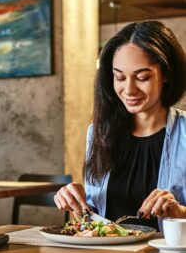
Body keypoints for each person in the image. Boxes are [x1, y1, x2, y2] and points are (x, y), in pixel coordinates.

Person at [54, 20, 186, 231]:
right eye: (120, 77)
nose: (129, 89)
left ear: (167, 74)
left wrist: (178, 212)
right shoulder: (98, 133)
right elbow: (90, 221)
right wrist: (74, 203)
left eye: (142, 77)